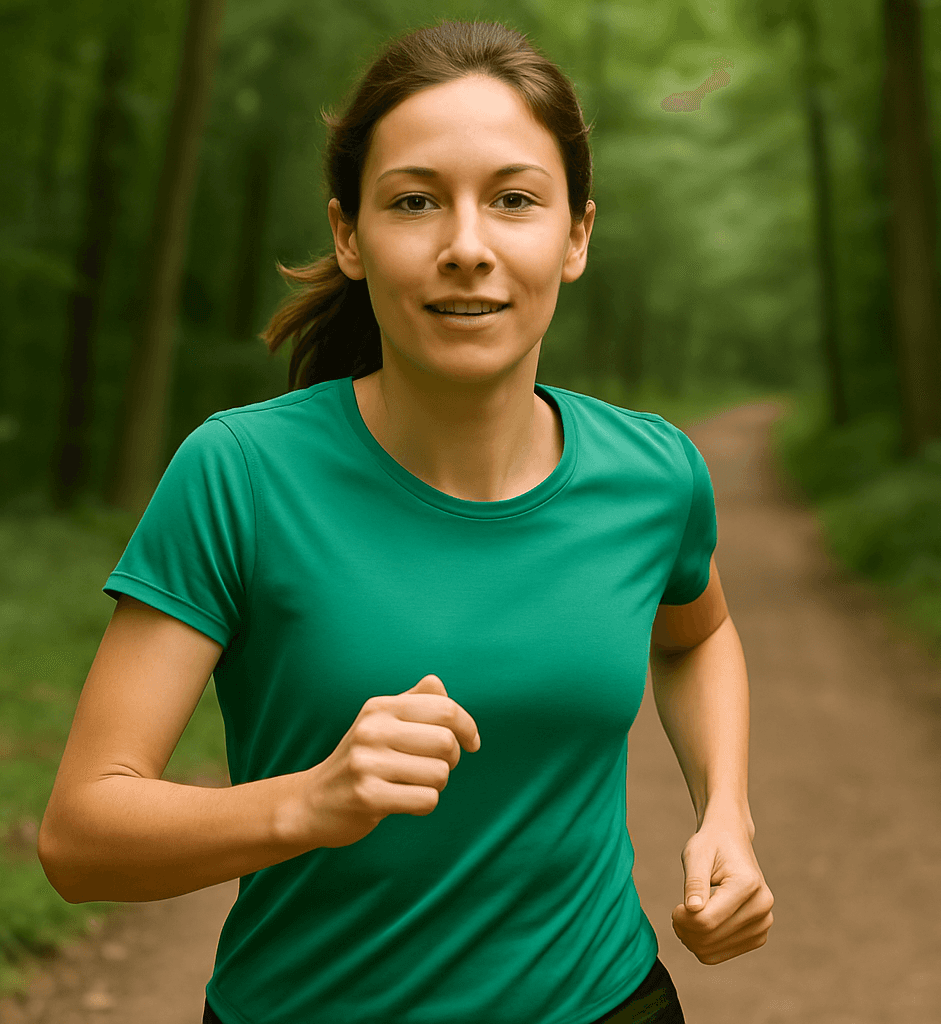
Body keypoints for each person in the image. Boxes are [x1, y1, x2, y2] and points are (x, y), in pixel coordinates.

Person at [37, 18, 774, 1024]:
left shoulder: (652, 474)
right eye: (415, 201)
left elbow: (697, 636)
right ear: (350, 236)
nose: (466, 247)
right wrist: (309, 801)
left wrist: (723, 810)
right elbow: (81, 837)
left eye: (513, 200)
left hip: (608, 1002)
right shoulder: (242, 474)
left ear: (576, 237)